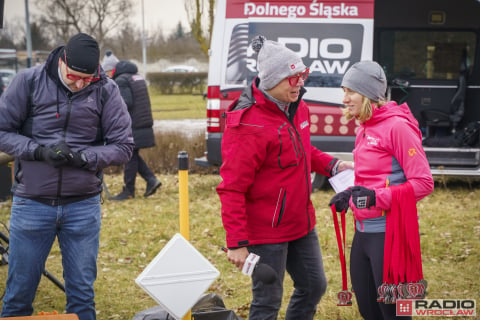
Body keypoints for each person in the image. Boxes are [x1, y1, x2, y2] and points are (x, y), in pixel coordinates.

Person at [216, 35, 353, 320]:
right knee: (268, 300)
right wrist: (237, 242)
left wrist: (334, 166)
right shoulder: (247, 125)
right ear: (272, 80)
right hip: (266, 231)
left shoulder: (297, 105)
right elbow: (231, 188)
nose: (300, 82)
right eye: (293, 78)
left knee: (314, 286)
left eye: (302, 75)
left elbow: (303, 150)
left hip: (301, 222)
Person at [0, 33, 134, 320]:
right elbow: (2, 130)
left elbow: (123, 146)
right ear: (61, 61)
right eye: (74, 77)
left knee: (82, 295)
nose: (79, 84)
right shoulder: (29, 82)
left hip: (82, 207)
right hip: (32, 204)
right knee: (19, 293)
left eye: (87, 78)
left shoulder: (106, 90)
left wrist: (85, 157)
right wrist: (38, 151)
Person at [329, 61, 434, 320]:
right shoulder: (364, 126)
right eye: (344, 91)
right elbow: (372, 177)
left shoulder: (397, 127)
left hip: (390, 236)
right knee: (369, 311)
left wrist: (377, 197)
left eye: (350, 91)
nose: (345, 98)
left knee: (393, 314)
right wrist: (350, 192)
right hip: (363, 234)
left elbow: (423, 182)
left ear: (367, 94)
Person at [102, 57, 162, 200]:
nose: (107, 76)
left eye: (107, 72)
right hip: (142, 123)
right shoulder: (136, 77)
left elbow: (125, 102)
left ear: (112, 70)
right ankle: (151, 180)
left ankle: (128, 191)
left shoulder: (121, 80)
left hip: (133, 125)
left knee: (129, 157)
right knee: (132, 155)